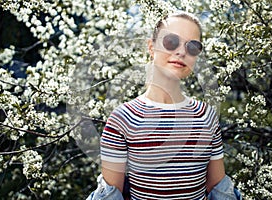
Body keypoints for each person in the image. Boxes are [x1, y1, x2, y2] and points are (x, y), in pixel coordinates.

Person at [87, 12, 241, 200]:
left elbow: (218, 188)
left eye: (192, 46)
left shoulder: (206, 116)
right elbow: (112, 195)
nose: (181, 52)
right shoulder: (122, 119)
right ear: (151, 47)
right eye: (171, 41)